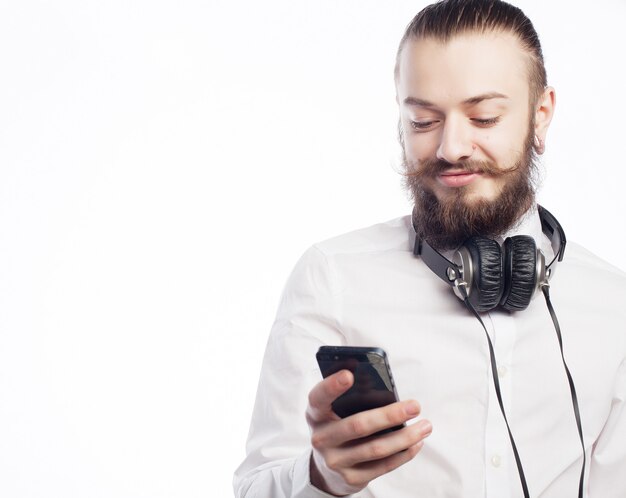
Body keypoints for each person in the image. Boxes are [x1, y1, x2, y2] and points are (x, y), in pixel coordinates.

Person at [233, 1, 626, 496]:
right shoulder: (332, 278)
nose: (450, 148)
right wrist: (320, 478)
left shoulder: (616, 304)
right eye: (423, 121)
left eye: (483, 118)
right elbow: (256, 488)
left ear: (541, 115)